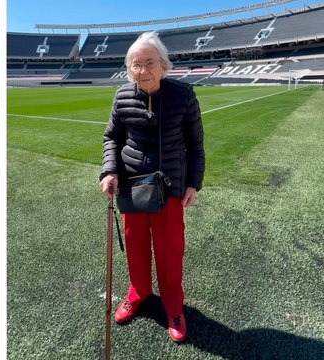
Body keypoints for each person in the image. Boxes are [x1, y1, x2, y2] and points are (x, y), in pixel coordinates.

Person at [99, 31, 205, 342]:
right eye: (135, 64)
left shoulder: (183, 96)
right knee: (135, 247)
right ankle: (139, 292)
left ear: (163, 66)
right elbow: (111, 138)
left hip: (169, 188)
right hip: (133, 189)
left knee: (170, 252)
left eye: (149, 63)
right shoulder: (121, 97)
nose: (142, 71)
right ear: (128, 68)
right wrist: (109, 171)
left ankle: (173, 307)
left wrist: (193, 183)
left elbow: (195, 145)